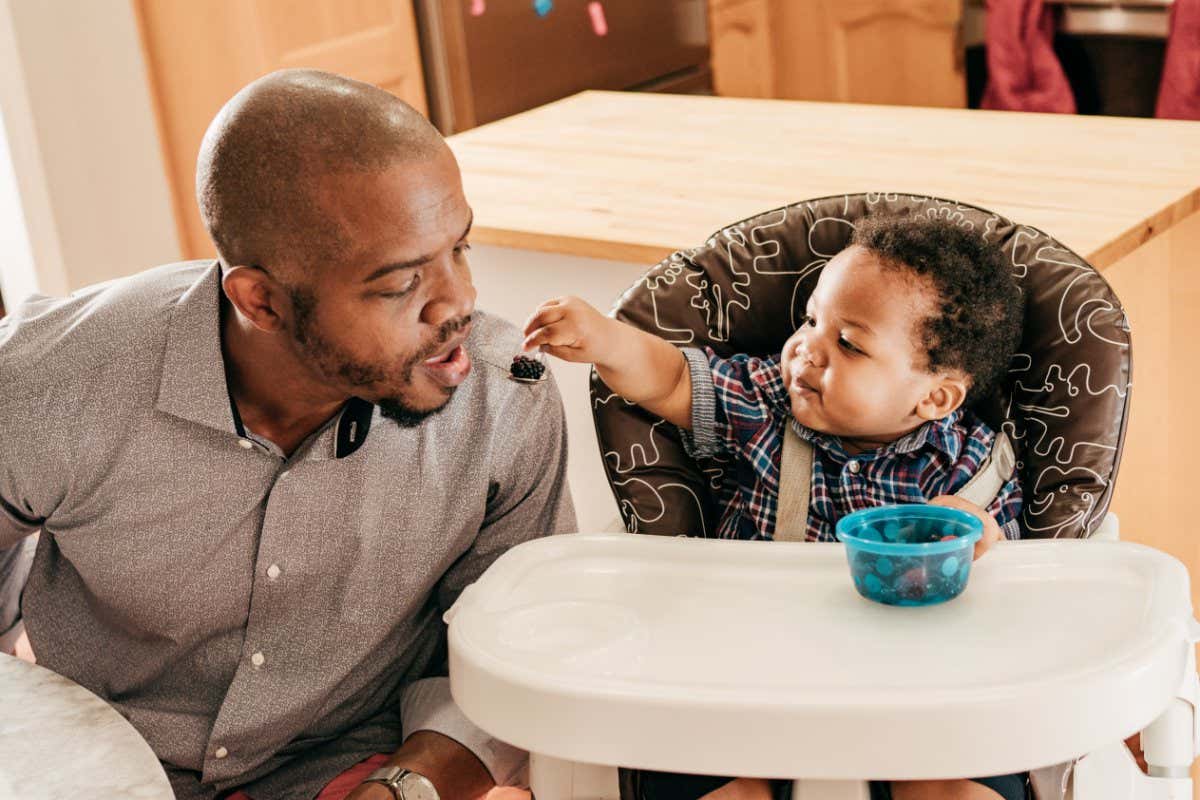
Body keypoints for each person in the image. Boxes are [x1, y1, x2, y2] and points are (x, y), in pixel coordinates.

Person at [0, 69, 575, 800]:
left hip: (355, 760)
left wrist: (409, 786)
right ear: (261, 301)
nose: (458, 302)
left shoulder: (505, 399)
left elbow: (526, 660)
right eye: (400, 286)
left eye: (461, 248)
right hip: (95, 760)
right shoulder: (60, 374)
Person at [523, 216, 1026, 800]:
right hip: (746, 678)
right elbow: (667, 380)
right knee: (720, 778)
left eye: (849, 343)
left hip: (917, 696)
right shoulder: (764, 405)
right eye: (813, 319)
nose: (807, 348)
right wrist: (607, 340)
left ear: (934, 397)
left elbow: (1011, 592)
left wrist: (976, 536)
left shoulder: (975, 466)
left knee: (955, 787)